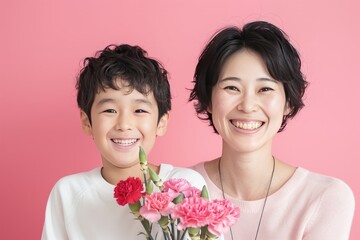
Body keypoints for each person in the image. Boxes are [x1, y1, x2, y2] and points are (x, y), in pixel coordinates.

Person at [190, 21, 355, 240]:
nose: (248, 106)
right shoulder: (177, 189)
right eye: (232, 87)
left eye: (265, 89)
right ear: (208, 99)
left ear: (288, 103)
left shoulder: (324, 198)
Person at [42, 44, 206, 240]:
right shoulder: (67, 193)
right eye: (110, 110)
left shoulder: (183, 186)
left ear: (161, 123)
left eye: (139, 110)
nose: (124, 124)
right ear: (87, 122)